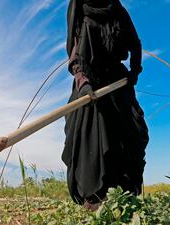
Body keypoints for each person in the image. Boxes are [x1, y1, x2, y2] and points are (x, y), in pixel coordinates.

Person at [62, 0, 149, 210]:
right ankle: (95, 200)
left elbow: (135, 44)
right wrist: (82, 81)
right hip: (89, 80)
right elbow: (75, 52)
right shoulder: (79, 9)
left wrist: (134, 71)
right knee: (92, 133)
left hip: (118, 82)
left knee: (133, 133)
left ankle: (125, 196)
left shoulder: (118, 11)